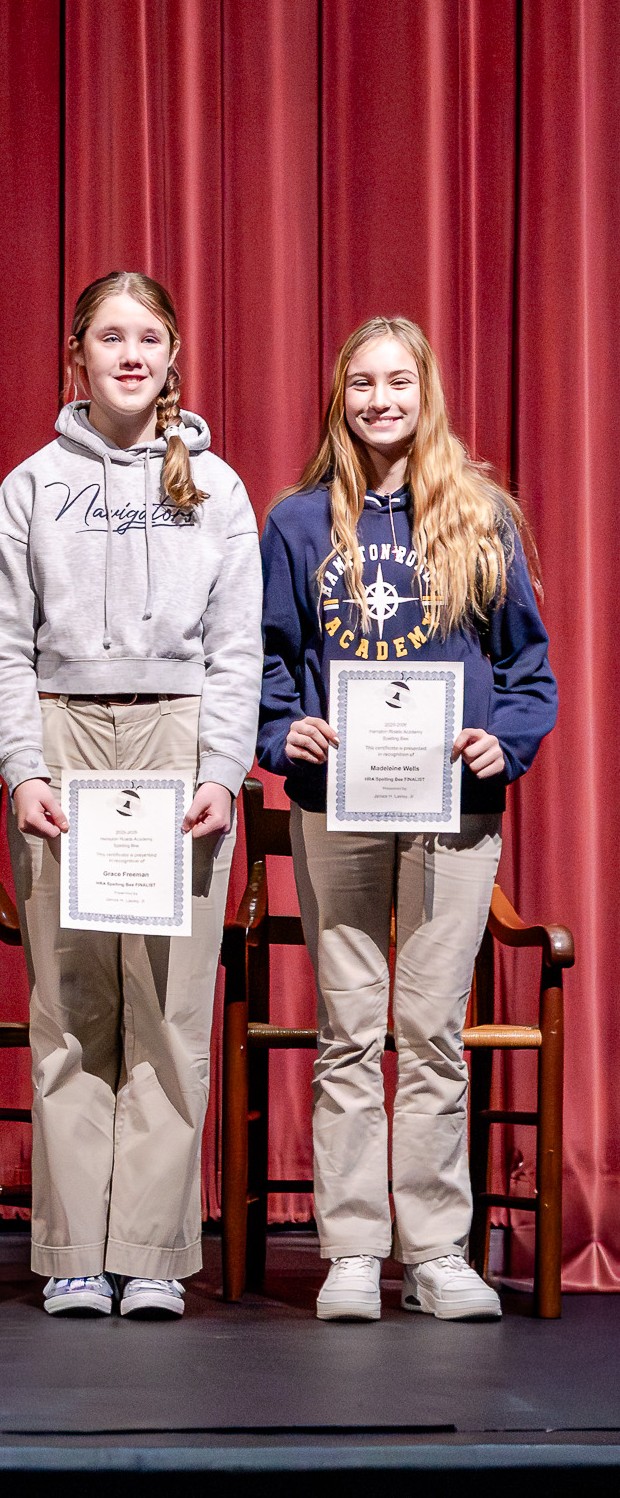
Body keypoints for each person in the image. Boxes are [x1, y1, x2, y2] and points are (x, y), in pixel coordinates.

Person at [0, 271, 260, 1320]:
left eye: (146, 337)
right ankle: (70, 1252)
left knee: (170, 1010)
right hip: (62, 736)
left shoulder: (215, 487)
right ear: (75, 355)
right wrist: (23, 768)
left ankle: (147, 1253)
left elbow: (238, 649)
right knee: (68, 1007)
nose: (128, 354)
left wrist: (221, 771)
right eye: (108, 337)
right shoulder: (31, 485)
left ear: (171, 352)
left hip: (176, 737)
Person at [259, 316, 555, 1323]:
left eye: (395, 382)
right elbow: (262, 658)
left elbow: (527, 672)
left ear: (424, 391)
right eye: (358, 384)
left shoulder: (480, 516)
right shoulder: (296, 524)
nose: (377, 401)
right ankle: (350, 1251)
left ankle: (433, 1251)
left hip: (451, 808)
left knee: (429, 1031)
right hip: (335, 803)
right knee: (347, 1028)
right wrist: (279, 728)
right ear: (336, 398)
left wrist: (499, 744)